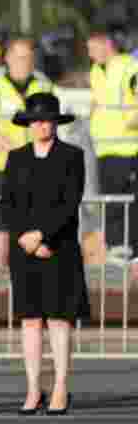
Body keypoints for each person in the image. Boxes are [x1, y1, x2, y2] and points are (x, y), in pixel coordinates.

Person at [0, 93, 87, 415]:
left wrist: (43, 235)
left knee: (59, 320)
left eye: (46, 119)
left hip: (59, 247)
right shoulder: (16, 157)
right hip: (24, 249)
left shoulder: (71, 156)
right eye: (35, 120)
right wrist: (26, 237)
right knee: (31, 321)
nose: (40, 125)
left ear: (55, 122)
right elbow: (7, 203)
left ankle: (61, 386)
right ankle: (34, 387)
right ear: (28, 124)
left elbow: (70, 202)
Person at [0, 38, 58, 268]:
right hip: (4, 169)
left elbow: (52, 128)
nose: (24, 62)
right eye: (19, 57)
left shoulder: (45, 86)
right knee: (2, 226)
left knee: (38, 227)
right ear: (8, 58)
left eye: (29, 57)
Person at [87, 31, 138, 257]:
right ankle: (116, 247)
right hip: (105, 148)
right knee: (110, 200)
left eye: (92, 48)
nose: (89, 54)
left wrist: (130, 122)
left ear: (107, 45)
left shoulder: (129, 67)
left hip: (127, 148)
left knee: (124, 201)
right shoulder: (96, 71)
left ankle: (126, 248)